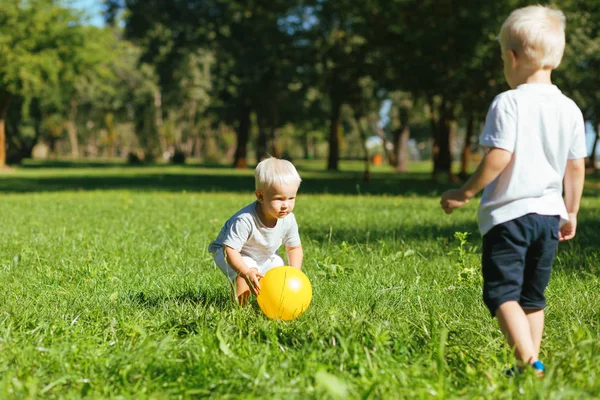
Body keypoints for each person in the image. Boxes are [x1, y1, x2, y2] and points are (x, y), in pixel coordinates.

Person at [440, 5, 586, 377]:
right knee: (532, 298)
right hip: (550, 216)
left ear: (511, 56)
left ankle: (529, 363)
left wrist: (465, 193)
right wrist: (572, 211)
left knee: (502, 294)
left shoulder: (508, 102)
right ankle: (530, 368)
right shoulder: (569, 109)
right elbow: (575, 167)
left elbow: (498, 157)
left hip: (510, 217)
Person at [208, 157, 304, 306]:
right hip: (230, 252)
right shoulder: (245, 220)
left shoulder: (288, 219)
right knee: (245, 274)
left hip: (263, 253)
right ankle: (240, 310)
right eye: (279, 199)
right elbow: (230, 250)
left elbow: (293, 247)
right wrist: (245, 271)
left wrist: (295, 273)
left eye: (291, 198)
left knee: (280, 271)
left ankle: (271, 304)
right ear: (260, 196)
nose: (286, 205)